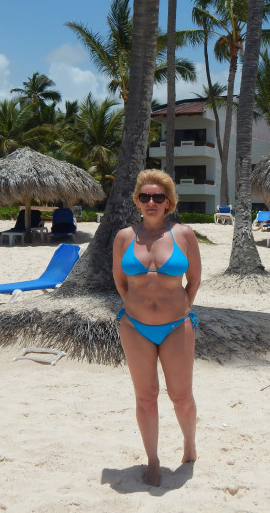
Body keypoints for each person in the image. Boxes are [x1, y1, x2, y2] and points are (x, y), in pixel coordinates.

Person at [112, 169, 202, 487]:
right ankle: (152, 460)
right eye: (145, 197)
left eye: (158, 197)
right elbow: (120, 282)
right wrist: (135, 306)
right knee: (145, 397)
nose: (151, 202)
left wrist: (181, 308)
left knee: (181, 396)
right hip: (134, 327)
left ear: (168, 202)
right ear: (137, 201)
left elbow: (194, 281)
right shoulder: (124, 237)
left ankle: (189, 444)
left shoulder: (184, 235)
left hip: (177, 326)